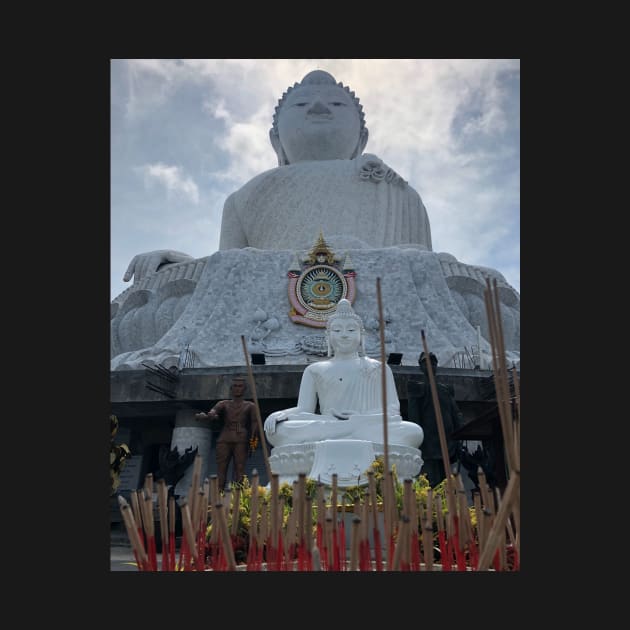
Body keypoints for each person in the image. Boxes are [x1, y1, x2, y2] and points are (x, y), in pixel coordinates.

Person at [122, 69, 432, 284]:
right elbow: (228, 274)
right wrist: (179, 267)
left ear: (361, 140)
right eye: (301, 105)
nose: (320, 106)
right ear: (276, 141)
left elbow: (427, 275)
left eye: (337, 105)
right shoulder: (245, 197)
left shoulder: (396, 190)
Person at [264, 299, 423, 449]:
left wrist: (359, 418)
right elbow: (304, 409)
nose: (344, 335)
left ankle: (345, 434)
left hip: (366, 424)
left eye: (351, 330)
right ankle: (349, 434)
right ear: (328, 336)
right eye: (337, 330)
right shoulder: (314, 369)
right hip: (330, 424)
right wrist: (281, 414)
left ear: (362, 336)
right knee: (280, 430)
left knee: (413, 432)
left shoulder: (378, 368)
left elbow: (393, 410)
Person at [406, 352, 464, 487]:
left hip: (448, 442)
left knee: (448, 481)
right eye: (426, 363)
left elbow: (455, 413)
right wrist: (417, 441)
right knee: (432, 481)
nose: (430, 366)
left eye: (433, 363)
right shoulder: (418, 388)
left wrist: (460, 434)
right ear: (421, 367)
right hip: (429, 444)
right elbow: (414, 417)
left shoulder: (445, 390)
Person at [195, 377, 259, 491]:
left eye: (240, 386)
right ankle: (218, 497)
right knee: (221, 470)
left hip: (241, 439)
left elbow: (255, 424)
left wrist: (253, 443)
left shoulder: (250, 406)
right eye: (235, 386)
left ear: (244, 389)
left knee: (239, 470)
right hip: (225, 438)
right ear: (231, 388)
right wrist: (209, 415)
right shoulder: (223, 404)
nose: (237, 389)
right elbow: (214, 411)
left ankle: (237, 499)